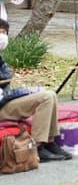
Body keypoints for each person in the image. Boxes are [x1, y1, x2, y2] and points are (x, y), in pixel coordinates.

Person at [0, 19, 72, 162]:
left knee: (50, 94)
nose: (2, 37)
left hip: (5, 101)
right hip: (1, 106)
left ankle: (50, 142)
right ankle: (38, 146)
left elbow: (7, 75)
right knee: (45, 97)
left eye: (3, 33)